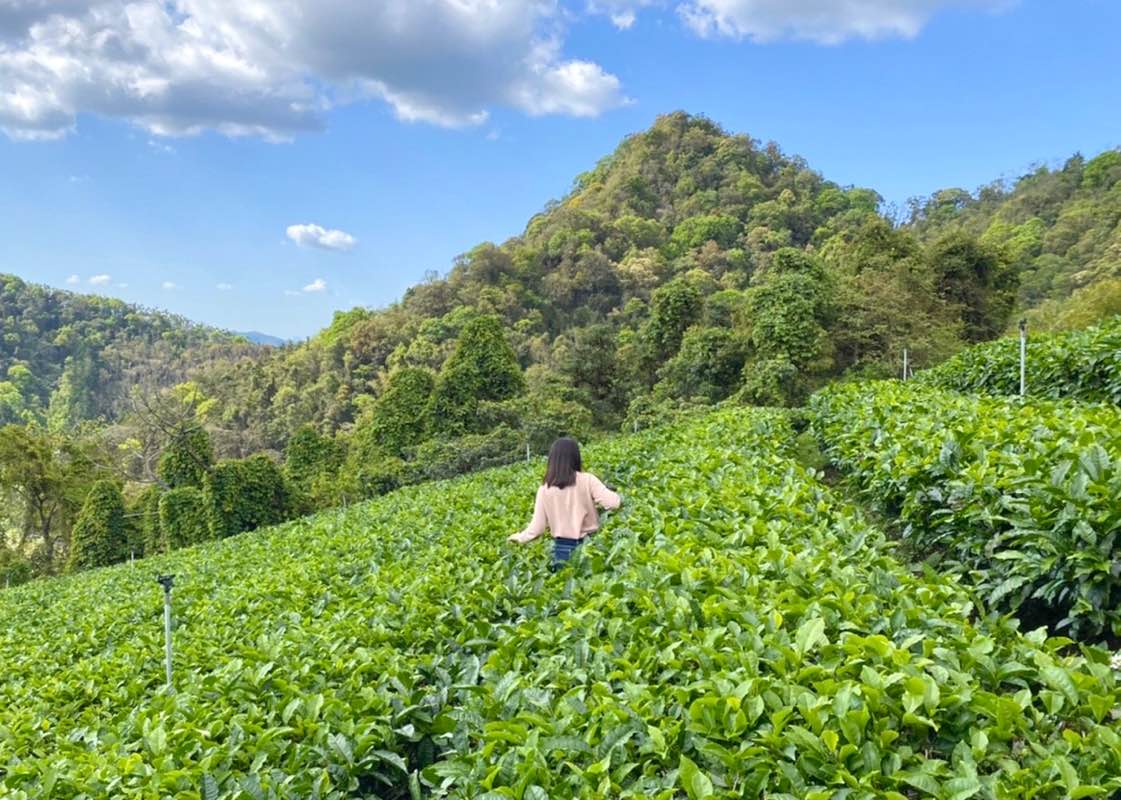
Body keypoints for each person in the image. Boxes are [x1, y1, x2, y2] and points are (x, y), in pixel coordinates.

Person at [507, 437, 621, 569]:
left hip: (562, 549)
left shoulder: (545, 489)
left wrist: (519, 537)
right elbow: (614, 503)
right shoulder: (587, 480)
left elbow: (537, 528)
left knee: (563, 583)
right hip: (591, 544)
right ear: (575, 457)